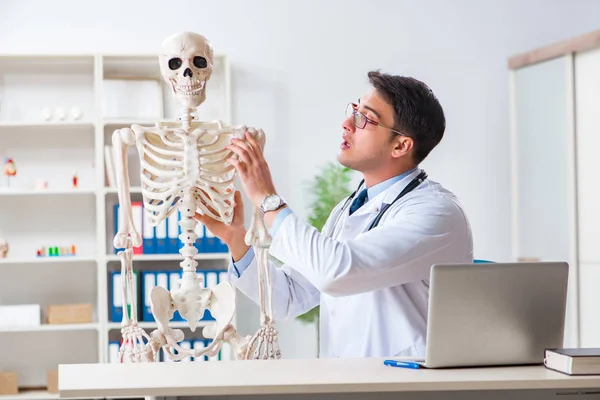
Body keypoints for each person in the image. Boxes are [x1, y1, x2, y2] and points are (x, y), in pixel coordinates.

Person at [195, 70, 473, 359]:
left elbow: (336, 271)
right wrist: (235, 239)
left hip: (406, 386)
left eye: (364, 118)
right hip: (346, 380)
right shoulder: (348, 208)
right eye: (354, 110)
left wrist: (268, 200)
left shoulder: (436, 213)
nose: (346, 123)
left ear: (401, 145)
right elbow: (287, 297)